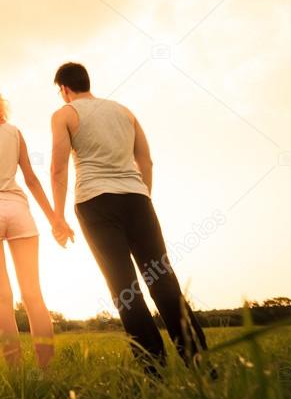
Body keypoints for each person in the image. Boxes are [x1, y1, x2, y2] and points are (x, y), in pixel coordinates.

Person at [48, 62, 208, 371]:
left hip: (96, 203)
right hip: (137, 199)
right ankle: (199, 361)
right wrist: (143, 194)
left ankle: (153, 368)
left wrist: (58, 216)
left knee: (125, 287)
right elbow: (145, 159)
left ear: (64, 89)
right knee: (163, 278)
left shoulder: (65, 114)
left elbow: (58, 167)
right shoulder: (124, 111)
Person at [0, 80, 72, 369]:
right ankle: (46, 371)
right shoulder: (15, 133)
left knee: (2, 297)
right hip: (18, 211)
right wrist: (55, 218)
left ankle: (17, 373)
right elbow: (31, 178)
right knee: (33, 294)